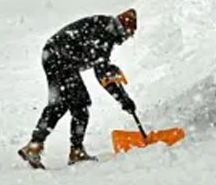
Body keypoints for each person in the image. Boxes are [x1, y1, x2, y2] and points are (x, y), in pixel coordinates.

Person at [18, 9, 139, 168]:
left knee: (62, 104)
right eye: (129, 34)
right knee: (78, 104)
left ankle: (37, 146)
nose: (126, 39)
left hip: (56, 56)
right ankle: (72, 151)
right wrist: (124, 100)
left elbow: (101, 67)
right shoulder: (104, 34)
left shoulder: (105, 28)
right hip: (59, 59)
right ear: (123, 29)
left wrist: (120, 92)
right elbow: (102, 73)